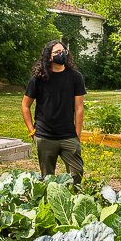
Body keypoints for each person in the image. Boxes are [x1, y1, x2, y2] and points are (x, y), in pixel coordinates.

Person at [21, 41, 86, 183]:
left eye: (63, 51)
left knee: (77, 173)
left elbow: (79, 108)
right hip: (45, 136)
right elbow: (25, 105)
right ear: (49, 57)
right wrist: (32, 131)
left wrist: (77, 135)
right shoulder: (38, 79)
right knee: (48, 178)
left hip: (68, 135)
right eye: (56, 52)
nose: (61, 54)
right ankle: (51, 203)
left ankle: (73, 200)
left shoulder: (75, 77)